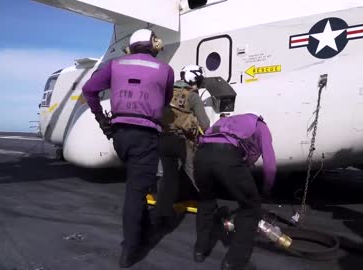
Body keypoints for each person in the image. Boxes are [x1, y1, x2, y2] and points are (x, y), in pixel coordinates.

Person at [82, 28, 174, 268]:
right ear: (153, 44)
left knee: (137, 183)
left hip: (120, 135)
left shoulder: (114, 65)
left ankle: (143, 227)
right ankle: (130, 250)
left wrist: (101, 118)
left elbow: (89, 90)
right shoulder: (165, 70)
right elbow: (165, 102)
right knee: (135, 191)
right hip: (146, 135)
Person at [193, 113, 276, 270]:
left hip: (201, 156)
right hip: (227, 156)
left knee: (206, 200)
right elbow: (270, 163)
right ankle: (234, 262)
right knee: (251, 208)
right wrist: (266, 189)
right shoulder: (261, 126)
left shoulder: (225, 122)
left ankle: (199, 250)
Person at [155, 64, 211, 230]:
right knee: (192, 171)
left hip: (163, 138)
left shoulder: (166, 91)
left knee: (166, 177)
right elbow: (205, 124)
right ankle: (208, 206)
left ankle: (162, 214)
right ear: (195, 79)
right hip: (183, 141)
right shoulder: (192, 96)